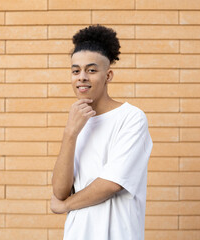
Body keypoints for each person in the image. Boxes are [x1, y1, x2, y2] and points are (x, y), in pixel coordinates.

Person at [50, 24, 153, 240]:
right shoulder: (77, 123)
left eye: (92, 70)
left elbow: (111, 183)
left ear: (109, 75)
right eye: (75, 70)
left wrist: (65, 205)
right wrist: (70, 133)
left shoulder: (131, 118)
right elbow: (60, 190)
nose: (82, 77)